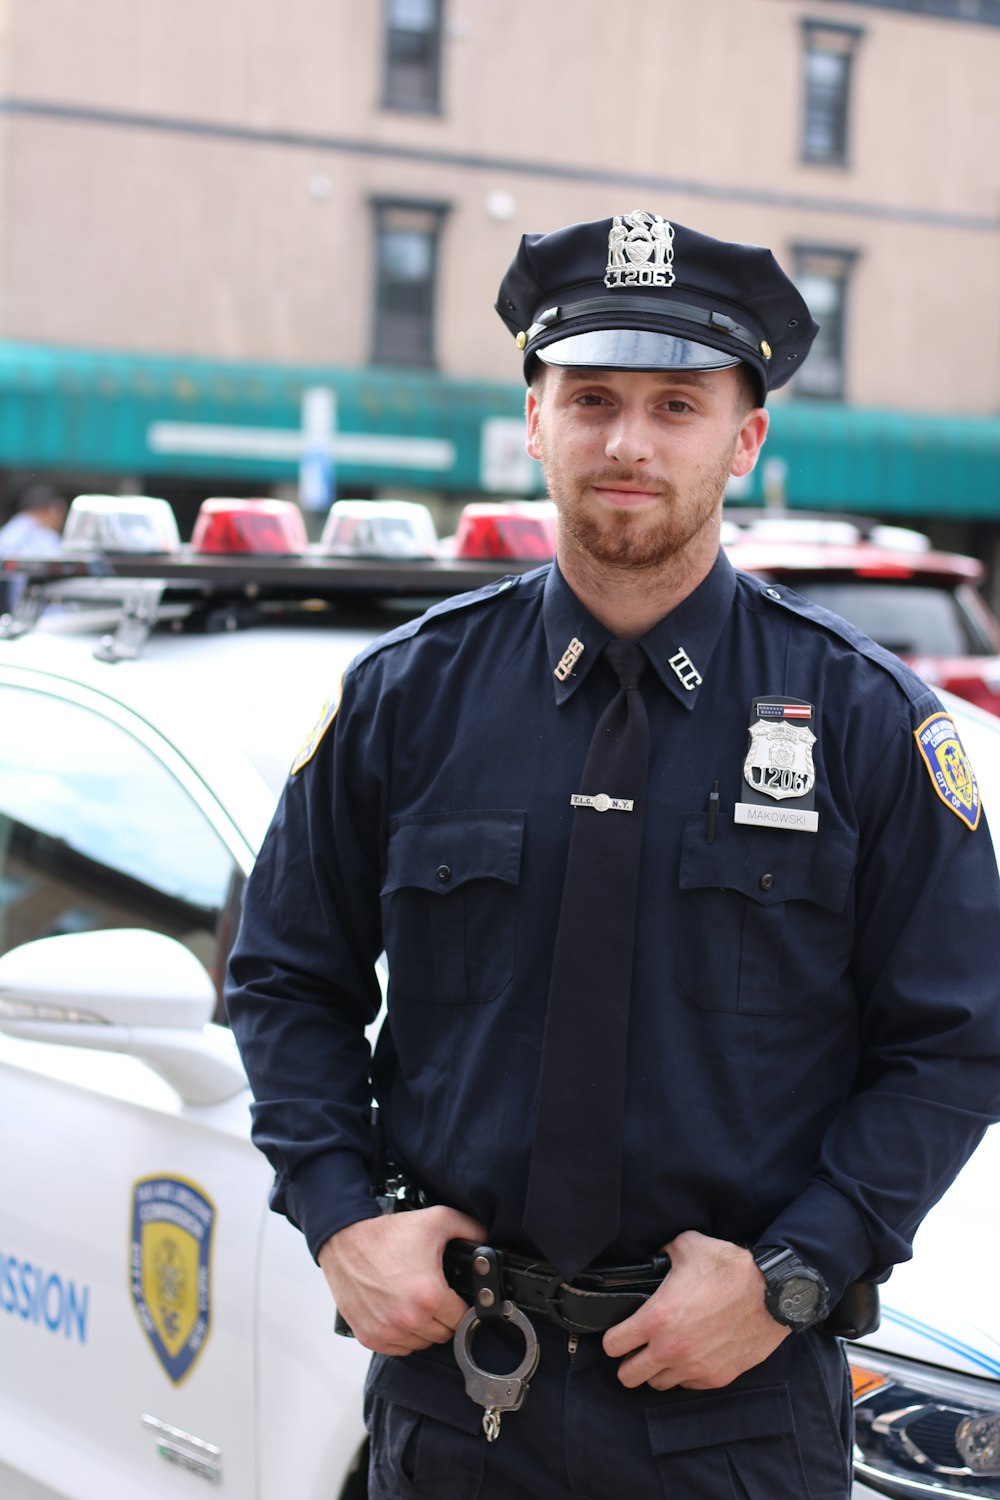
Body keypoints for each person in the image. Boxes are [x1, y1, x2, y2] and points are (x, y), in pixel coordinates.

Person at [225, 212, 1000, 1499]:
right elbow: (284, 978)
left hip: (734, 1411)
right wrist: (336, 1218)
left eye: (676, 405)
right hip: (459, 1393)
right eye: (590, 399)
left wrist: (793, 1273)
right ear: (534, 422)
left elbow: (955, 1038)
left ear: (744, 440)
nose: (627, 443)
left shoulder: (866, 724)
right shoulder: (407, 701)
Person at [0, 484, 67, 612]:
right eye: (58, 512)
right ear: (43, 510)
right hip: (33, 613)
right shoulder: (42, 536)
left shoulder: (8, 532)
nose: (60, 519)